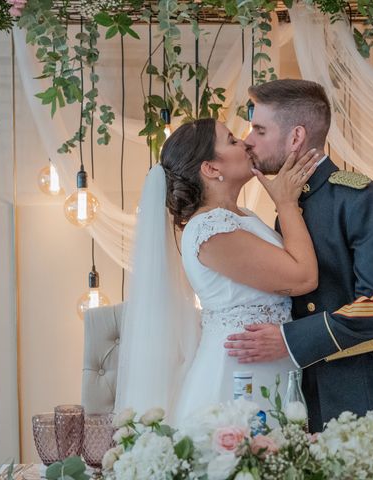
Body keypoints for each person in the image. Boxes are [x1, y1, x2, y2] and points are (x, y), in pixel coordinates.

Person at [224, 79, 373, 432]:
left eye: (259, 129)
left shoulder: (363, 199)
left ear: (295, 137)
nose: (248, 140)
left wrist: (289, 340)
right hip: (314, 390)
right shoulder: (289, 204)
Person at [115, 117, 322, 422]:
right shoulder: (209, 229)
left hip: (268, 370)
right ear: (211, 168)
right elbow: (303, 277)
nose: (246, 143)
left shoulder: (243, 216)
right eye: (232, 140)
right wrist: (286, 203)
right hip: (235, 379)